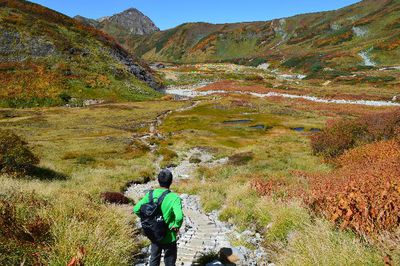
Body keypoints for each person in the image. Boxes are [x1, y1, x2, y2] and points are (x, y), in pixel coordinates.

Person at [134, 170, 184, 266]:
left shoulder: (150, 194)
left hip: (154, 233)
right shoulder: (174, 197)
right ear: (171, 181)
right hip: (169, 235)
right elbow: (179, 217)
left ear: (158, 180)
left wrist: (146, 219)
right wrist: (176, 225)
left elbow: (136, 209)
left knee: (154, 258)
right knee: (169, 260)